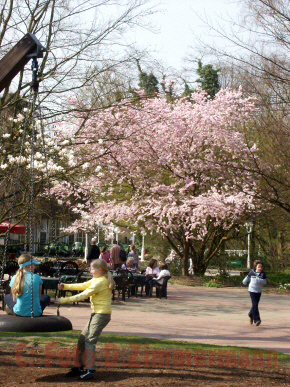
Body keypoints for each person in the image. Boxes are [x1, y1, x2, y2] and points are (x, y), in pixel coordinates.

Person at [57, 259, 115, 380]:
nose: (90, 270)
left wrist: (63, 300)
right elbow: (82, 286)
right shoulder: (96, 279)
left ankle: (90, 369)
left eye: (92, 269)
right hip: (96, 314)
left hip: (101, 315)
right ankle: (79, 367)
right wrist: (65, 286)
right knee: (82, 339)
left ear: (99, 270)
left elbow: (84, 294)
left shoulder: (101, 282)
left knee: (89, 340)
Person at [242, 259, 267, 326]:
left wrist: (258, 279)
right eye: (259, 267)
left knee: (255, 305)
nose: (260, 268)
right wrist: (244, 282)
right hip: (252, 290)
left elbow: (264, 281)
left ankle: (250, 315)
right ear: (255, 267)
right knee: (255, 305)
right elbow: (247, 277)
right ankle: (257, 320)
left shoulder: (262, 274)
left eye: (261, 267)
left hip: (258, 291)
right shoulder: (252, 272)